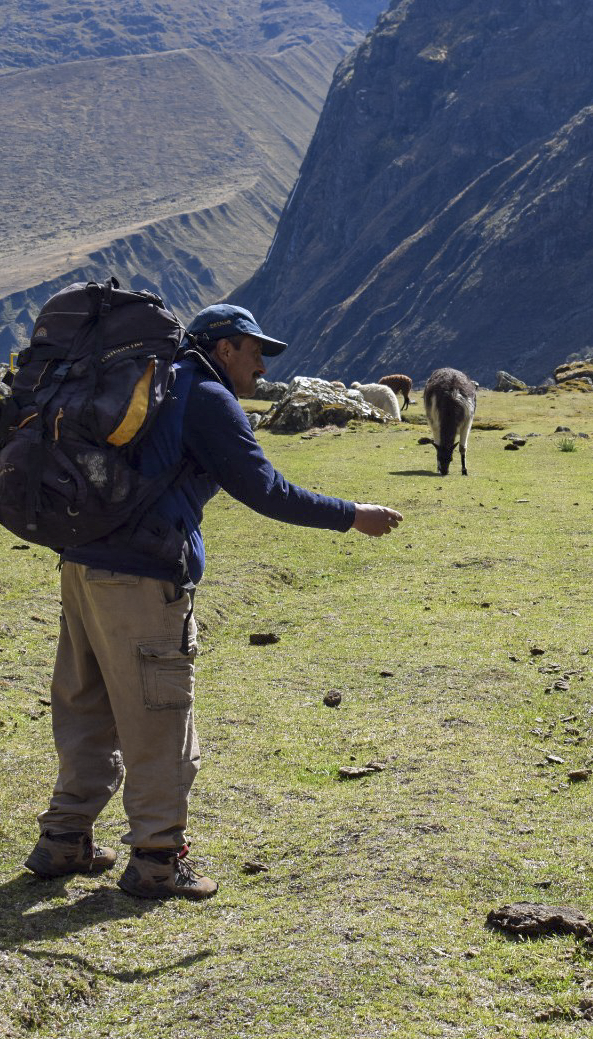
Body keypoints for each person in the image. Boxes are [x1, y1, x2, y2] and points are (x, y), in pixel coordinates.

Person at [22, 303, 403, 899]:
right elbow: (265, 489)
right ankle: (157, 859)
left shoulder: (146, 384)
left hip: (81, 565)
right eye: (255, 351)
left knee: (86, 706)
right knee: (159, 716)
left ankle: (64, 838)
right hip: (144, 579)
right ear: (224, 348)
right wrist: (350, 514)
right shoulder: (204, 396)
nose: (261, 365)